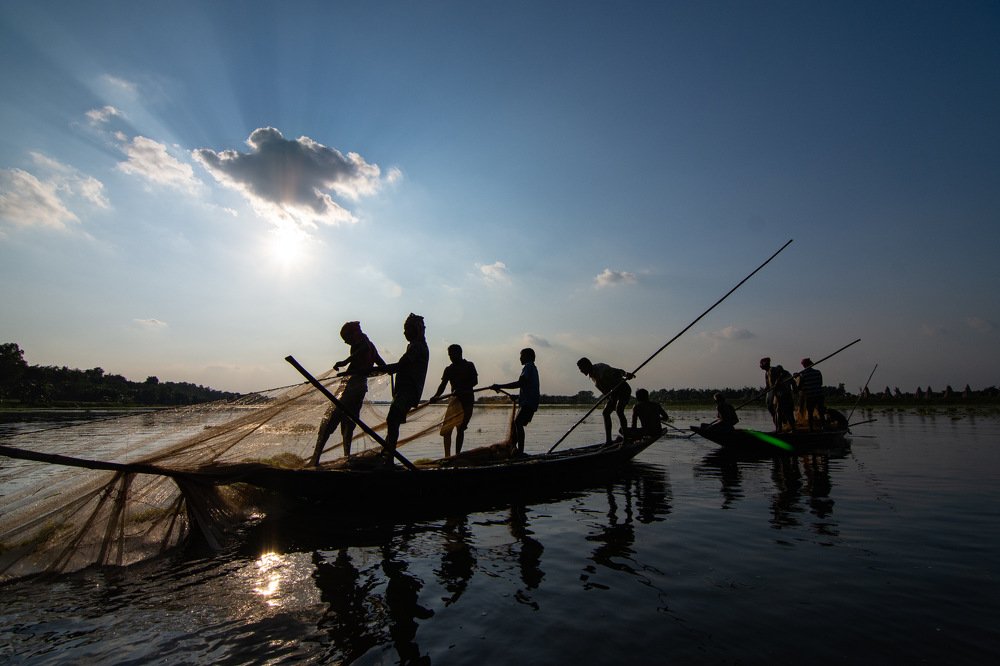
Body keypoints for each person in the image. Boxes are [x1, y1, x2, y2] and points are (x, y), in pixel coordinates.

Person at [311, 321, 386, 466]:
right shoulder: (371, 346)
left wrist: (346, 362)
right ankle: (346, 457)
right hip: (359, 388)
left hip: (351, 387)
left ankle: (316, 459)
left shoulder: (364, 344)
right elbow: (382, 366)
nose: (346, 342)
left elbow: (364, 353)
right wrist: (367, 371)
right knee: (348, 422)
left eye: (347, 338)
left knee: (331, 419)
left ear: (354, 334)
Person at [382, 313, 429, 468]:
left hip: (409, 391)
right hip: (404, 390)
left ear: (416, 330)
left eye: (408, 329)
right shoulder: (413, 345)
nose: (405, 333)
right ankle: (387, 455)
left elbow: (402, 364)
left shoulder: (418, 346)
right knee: (392, 421)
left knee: (392, 420)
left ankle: (389, 459)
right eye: (404, 330)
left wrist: (381, 369)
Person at [428, 344, 478, 457]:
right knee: (447, 430)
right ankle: (447, 457)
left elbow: (474, 381)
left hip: (467, 401)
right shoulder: (449, 369)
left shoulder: (469, 365)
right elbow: (442, 385)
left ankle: (457, 456)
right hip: (454, 401)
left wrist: (462, 388)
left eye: (452, 354)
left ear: (459, 353)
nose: (450, 357)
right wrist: (436, 396)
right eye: (449, 355)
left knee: (460, 429)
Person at [490, 348, 540, 455]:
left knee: (518, 423)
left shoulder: (528, 367)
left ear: (528, 357)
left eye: (522, 356)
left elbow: (520, 383)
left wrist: (500, 386)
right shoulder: (532, 368)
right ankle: (515, 449)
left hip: (528, 403)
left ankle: (520, 452)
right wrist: (517, 397)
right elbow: (528, 387)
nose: (520, 358)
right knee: (518, 424)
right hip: (529, 401)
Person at [576, 357, 634, 445]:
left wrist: (626, 374)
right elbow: (606, 391)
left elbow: (617, 372)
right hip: (613, 395)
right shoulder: (592, 376)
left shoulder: (601, 368)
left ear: (587, 366)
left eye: (581, 368)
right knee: (606, 413)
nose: (580, 371)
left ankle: (626, 440)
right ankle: (608, 441)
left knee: (619, 410)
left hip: (623, 390)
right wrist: (610, 399)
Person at [796, 357, 826, 431]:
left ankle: (811, 429)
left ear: (803, 365)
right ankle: (824, 427)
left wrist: (797, 378)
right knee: (821, 412)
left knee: (810, 413)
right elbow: (820, 383)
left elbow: (799, 387)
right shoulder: (818, 372)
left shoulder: (802, 374)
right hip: (819, 395)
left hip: (810, 396)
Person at [770, 363, 797, 432]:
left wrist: (795, 391)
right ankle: (779, 429)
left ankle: (793, 429)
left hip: (785, 396)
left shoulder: (785, 374)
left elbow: (793, 383)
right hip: (781, 396)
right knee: (779, 413)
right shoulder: (781, 375)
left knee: (788, 413)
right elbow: (775, 387)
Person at [760, 357, 777, 427]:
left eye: (761, 365)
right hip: (771, 392)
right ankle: (777, 427)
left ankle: (779, 428)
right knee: (772, 411)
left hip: (776, 393)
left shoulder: (772, 370)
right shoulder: (766, 373)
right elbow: (767, 386)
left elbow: (776, 382)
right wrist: (762, 393)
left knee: (776, 411)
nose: (761, 366)